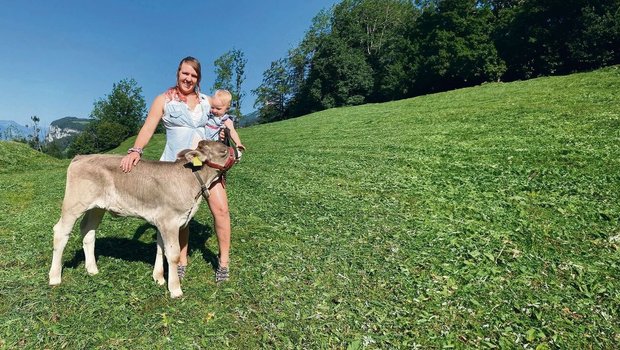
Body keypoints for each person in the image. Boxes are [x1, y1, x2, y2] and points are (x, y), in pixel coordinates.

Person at [120, 56, 239, 283]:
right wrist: (136, 150)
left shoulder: (206, 100)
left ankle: (223, 263)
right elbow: (148, 126)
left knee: (221, 210)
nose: (189, 78)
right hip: (178, 168)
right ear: (178, 73)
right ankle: (181, 261)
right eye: (185, 73)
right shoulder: (165, 100)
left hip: (206, 165)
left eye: (194, 75)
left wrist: (228, 133)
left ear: (198, 78)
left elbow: (222, 113)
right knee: (180, 216)